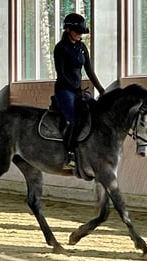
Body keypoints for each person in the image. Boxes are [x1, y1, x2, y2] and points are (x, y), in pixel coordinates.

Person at [54, 13, 105, 170]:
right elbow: (61, 73)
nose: (80, 34)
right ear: (68, 30)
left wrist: (102, 90)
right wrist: (76, 90)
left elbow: (89, 71)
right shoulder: (60, 48)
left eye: (82, 32)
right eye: (78, 31)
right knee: (74, 118)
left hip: (78, 90)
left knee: (94, 113)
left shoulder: (82, 47)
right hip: (64, 90)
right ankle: (69, 153)